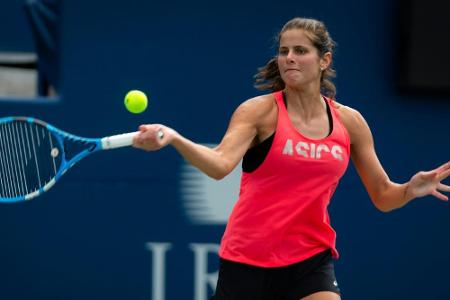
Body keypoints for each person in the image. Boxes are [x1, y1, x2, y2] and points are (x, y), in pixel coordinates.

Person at [132, 17, 450, 300]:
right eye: (284, 51)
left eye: (300, 51)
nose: (289, 58)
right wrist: (174, 138)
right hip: (248, 259)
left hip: (310, 258)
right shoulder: (259, 111)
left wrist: (409, 189)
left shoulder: (350, 123)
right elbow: (219, 165)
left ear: (324, 60)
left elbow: (382, 195)